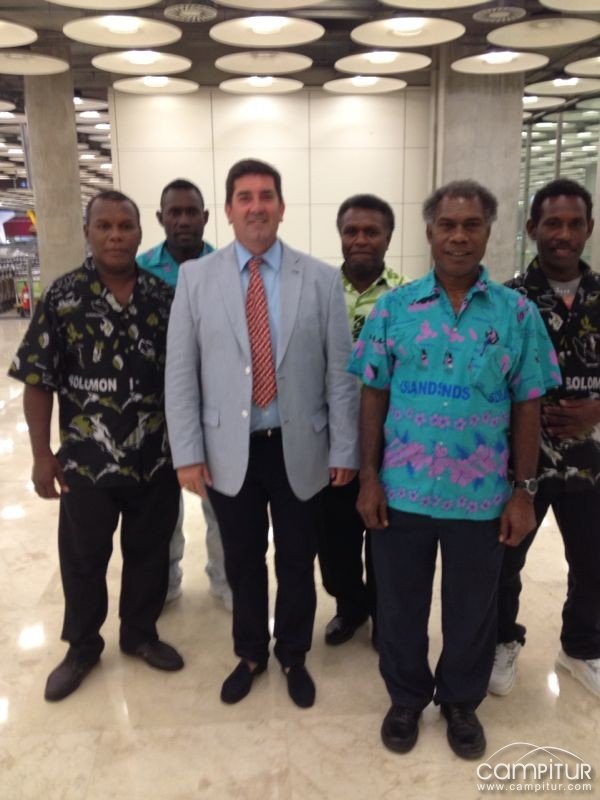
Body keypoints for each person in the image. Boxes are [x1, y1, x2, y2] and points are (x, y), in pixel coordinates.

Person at [349, 180, 559, 759]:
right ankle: (406, 698)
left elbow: (528, 403)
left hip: (482, 496)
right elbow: (372, 394)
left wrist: (524, 492)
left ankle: (462, 702)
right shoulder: (393, 309)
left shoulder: (518, 314)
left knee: (472, 609)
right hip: (402, 490)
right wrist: (368, 478)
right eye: (448, 225)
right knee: (399, 606)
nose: (459, 236)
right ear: (430, 232)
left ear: (489, 232)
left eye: (472, 225)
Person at [165, 158, 359, 708]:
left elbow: (340, 374)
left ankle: (293, 653)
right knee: (242, 560)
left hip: (302, 447)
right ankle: (250, 653)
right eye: (245, 197)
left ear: (281, 206)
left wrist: (345, 447)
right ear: (228, 210)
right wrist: (187, 453)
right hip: (229, 450)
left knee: (297, 560)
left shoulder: (319, 279)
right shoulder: (196, 278)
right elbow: (181, 373)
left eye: (266, 196)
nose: (257, 207)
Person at [9, 190, 184, 702]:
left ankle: (140, 634)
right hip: (86, 464)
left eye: (125, 226)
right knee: (84, 558)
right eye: (104, 226)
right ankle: (83, 646)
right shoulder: (62, 297)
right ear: (88, 231)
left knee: (149, 553)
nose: (115, 235)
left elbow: (186, 379)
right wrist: (42, 455)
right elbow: (38, 380)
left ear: (140, 232)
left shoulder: (164, 299)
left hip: (155, 459)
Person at [489, 178, 600, 700]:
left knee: (593, 562)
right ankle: (500, 640)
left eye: (575, 223)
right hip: (521, 466)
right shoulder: (506, 301)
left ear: (589, 228)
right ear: (532, 228)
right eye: (552, 223)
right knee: (504, 563)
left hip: (591, 461)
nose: (564, 234)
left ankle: (581, 647)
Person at [137, 178, 232, 610]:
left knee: (222, 503)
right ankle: (167, 581)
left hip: (215, 406)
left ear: (206, 217)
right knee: (161, 507)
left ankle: (226, 580)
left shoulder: (228, 268)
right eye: (174, 212)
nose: (183, 220)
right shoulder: (140, 271)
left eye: (191, 212)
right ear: (161, 218)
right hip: (153, 407)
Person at [318, 194, 402, 647]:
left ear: (388, 237)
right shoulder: (319, 291)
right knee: (336, 541)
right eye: (352, 231)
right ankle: (350, 607)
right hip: (330, 441)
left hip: (391, 442)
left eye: (372, 231)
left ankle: (386, 613)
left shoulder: (408, 297)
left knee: (386, 537)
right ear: (340, 236)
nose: (361, 239)